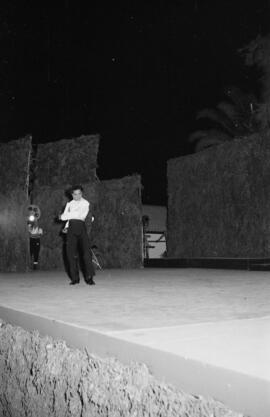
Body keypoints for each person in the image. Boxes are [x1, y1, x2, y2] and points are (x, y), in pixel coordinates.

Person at [59, 185, 95, 285]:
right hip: (71, 228)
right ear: (72, 195)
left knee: (86, 254)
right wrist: (66, 225)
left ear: (82, 193)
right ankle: (75, 278)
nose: (77, 196)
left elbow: (79, 215)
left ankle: (89, 277)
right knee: (70, 254)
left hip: (81, 227)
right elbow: (66, 218)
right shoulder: (69, 204)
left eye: (79, 193)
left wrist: (63, 217)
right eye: (75, 194)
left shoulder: (85, 203)